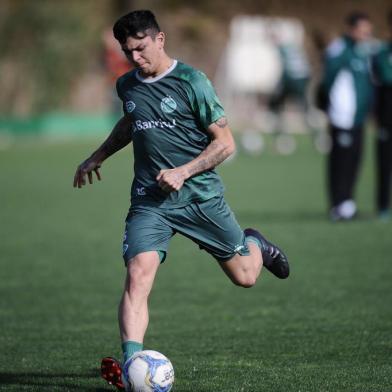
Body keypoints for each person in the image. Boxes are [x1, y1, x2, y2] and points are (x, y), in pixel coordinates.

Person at [73, 10, 289, 390]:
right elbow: (131, 121)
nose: (136, 58)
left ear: (160, 39)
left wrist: (183, 171)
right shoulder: (127, 86)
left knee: (246, 277)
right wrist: (98, 156)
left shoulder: (193, 82)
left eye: (141, 49)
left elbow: (225, 144)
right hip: (150, 201)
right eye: (128, 52)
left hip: (201, 199)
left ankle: (255, 243)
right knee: (138, 275)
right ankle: (131, 365)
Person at [319, 11, 374, 221]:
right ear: (351, 29)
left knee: (355, 160)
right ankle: (337, 205)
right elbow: (327, 82)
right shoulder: (339, 50)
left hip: (358, 118)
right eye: (362, 30)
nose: (365, 33)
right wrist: (328, 106)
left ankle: (348, 203)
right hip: (342, 117)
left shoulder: (362, 51)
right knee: (340, 162)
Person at [372, 11, 392, 220]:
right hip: (387, 117)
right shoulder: (383, 52)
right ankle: (383, 206)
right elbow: (385, 76)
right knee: (384, 165)